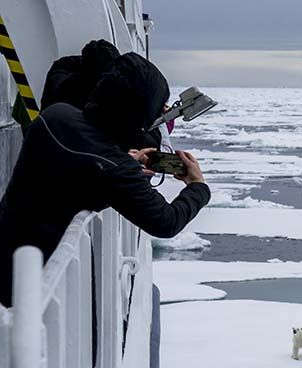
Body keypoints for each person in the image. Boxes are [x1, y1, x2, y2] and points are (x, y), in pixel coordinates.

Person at [0, 52, 211, 306]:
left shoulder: (57, 116)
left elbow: (81, 164)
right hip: (30, 283)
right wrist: (197, 186)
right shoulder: (114, 168)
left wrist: (125, 159)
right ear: (138, 115)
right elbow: (165, 222)